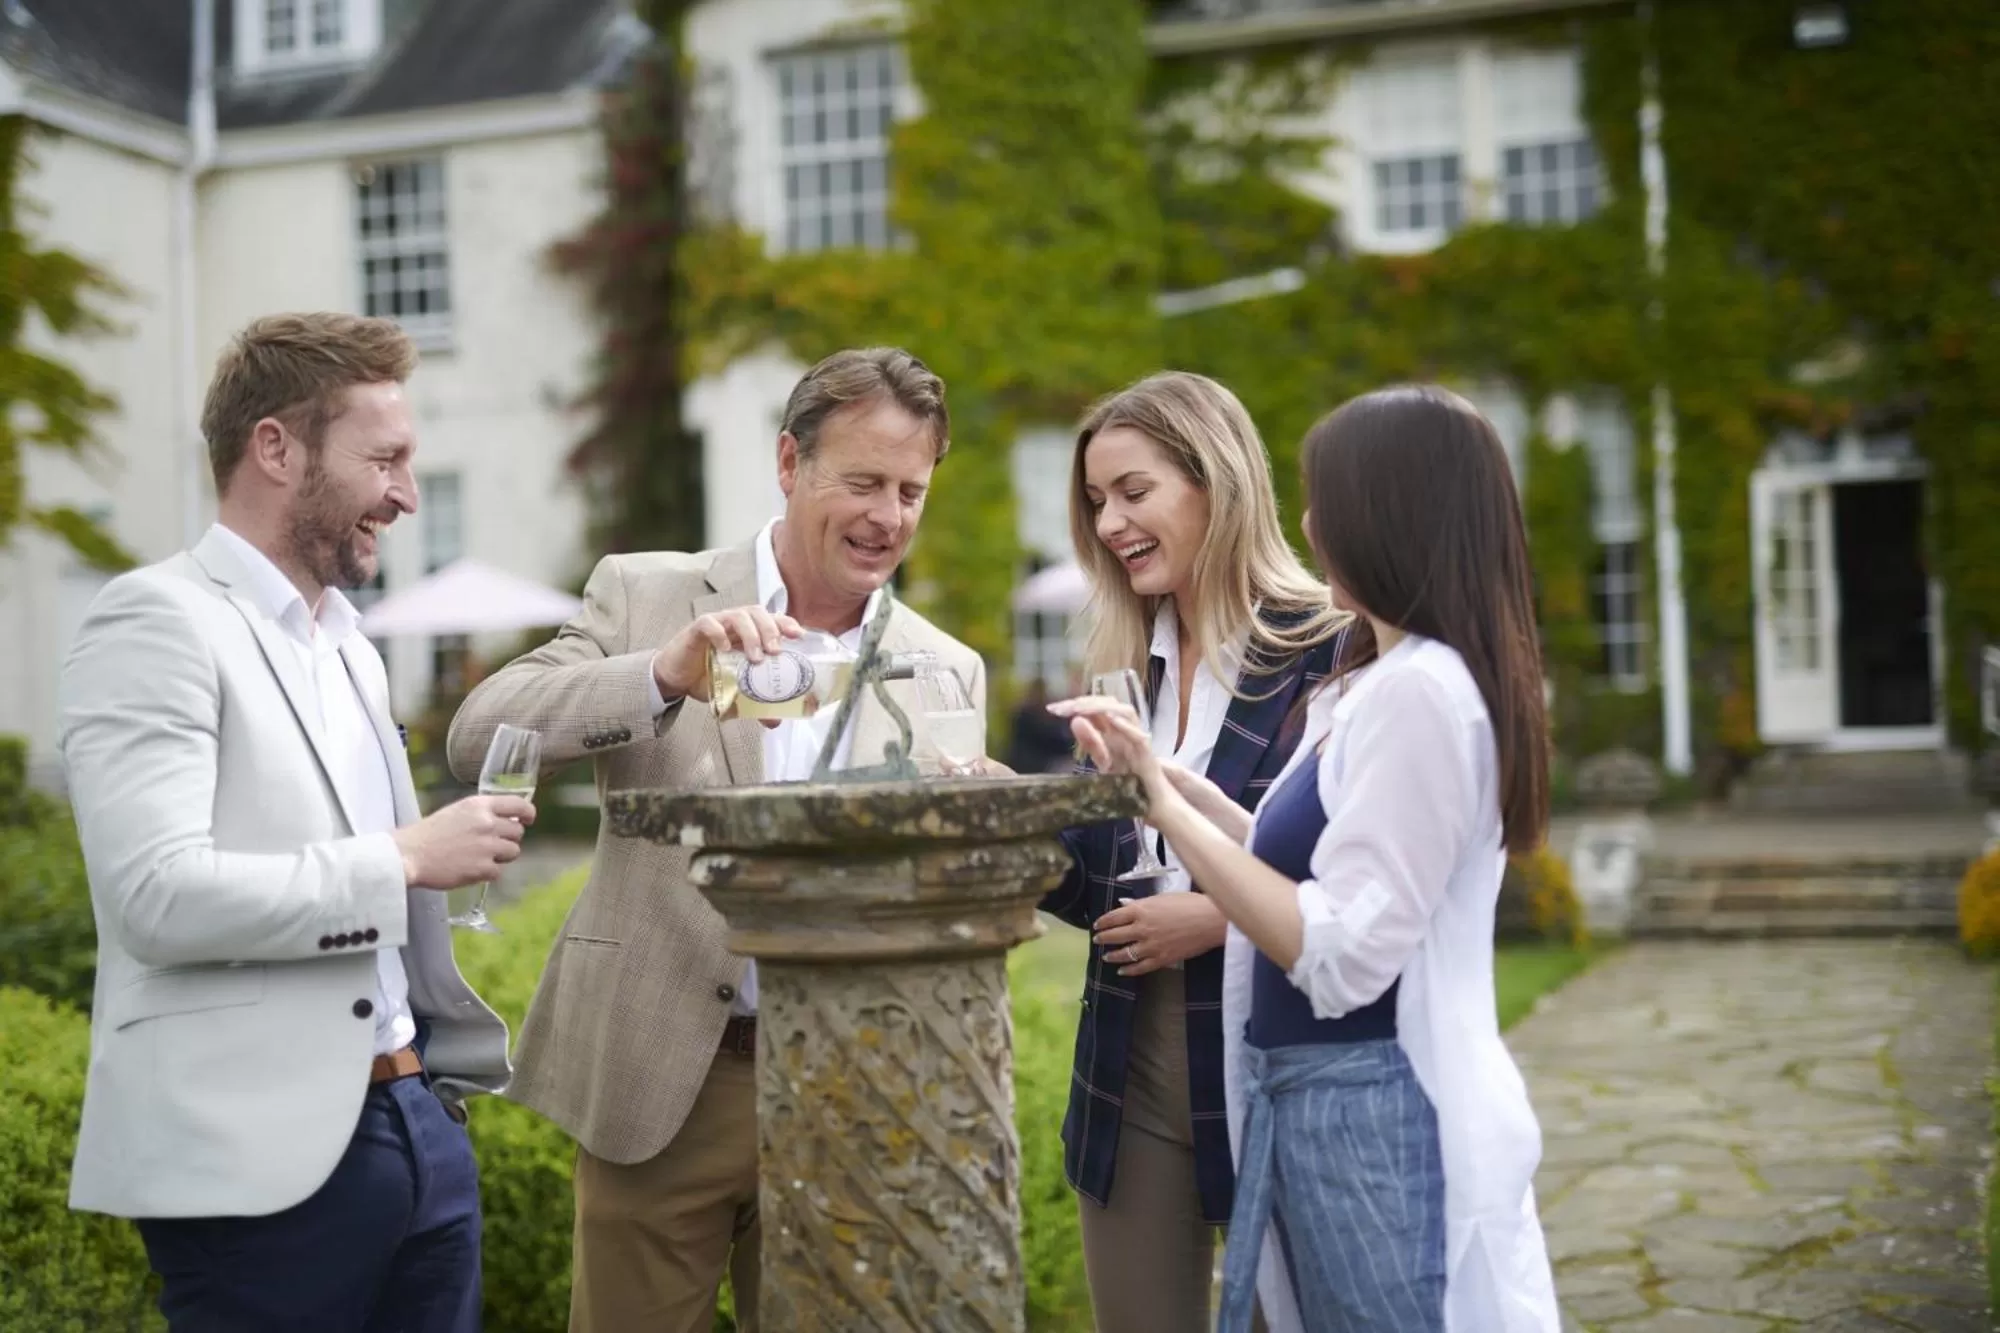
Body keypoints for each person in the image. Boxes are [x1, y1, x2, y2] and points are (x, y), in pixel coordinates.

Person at [446, 346, 985, 1333]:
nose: (887, 516)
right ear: (788, 463)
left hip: (853, 1089)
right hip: (666, 1081)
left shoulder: (944, 671)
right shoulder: (649, 594)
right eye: (862, 481)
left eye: (910, 490)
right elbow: (481, 731)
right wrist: (660, 673)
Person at [1056, 384, 1562, 1332]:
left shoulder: (1400, 686)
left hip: (1375, 1102)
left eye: (1326, 498)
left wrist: (1163, 799)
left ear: (1387, 516)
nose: (1310, 521)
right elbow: (1308, 864)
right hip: (1288, 1085)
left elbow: (1342, 941)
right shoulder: (1392, 682)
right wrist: (1143, 782)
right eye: (1097, 501)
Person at [57, 312, 524, 1332]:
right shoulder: (155, 620)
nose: (404, 493)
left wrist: (433, 1109)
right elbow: (155, 896)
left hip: (417, 1122)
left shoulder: (351, 645)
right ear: (276, 447)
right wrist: (404, 855)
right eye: (386, 459)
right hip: (253, 1162)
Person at [1035, 371, 1347, 1333]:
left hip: (1268, 1044)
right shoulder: (1127, 666)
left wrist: (1211, 917)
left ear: (1216, 483)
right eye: (1096, 501)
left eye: (1135, 491)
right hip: (1128, 1054)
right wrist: (1006, 816)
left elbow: (1364, 875)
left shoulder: (1329, 649)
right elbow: (1100, 878)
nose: (1111, 521)